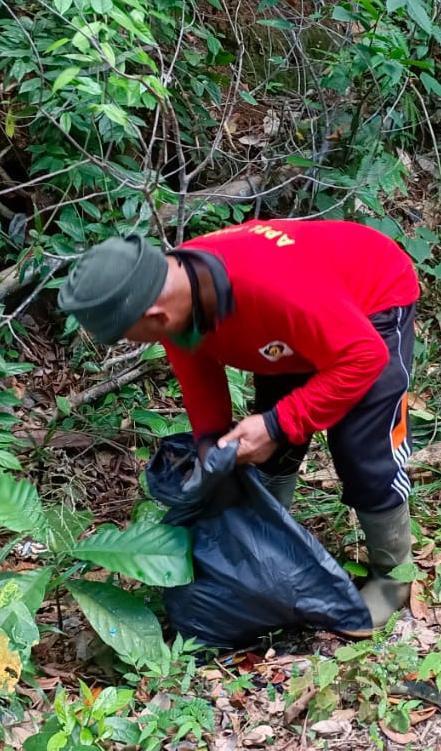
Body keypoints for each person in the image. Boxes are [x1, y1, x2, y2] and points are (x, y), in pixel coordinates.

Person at [58, 218, 420, 630]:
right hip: (288, 326)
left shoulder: (277, 291)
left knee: (362, 452)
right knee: (267, 446)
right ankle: (265, 541)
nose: (134, 342)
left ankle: (393, 577)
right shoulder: (180, 288)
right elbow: (198, 374)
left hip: (369, 301)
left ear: (155, 317)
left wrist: (278, 424)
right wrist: (210, 442)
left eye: (130, 335)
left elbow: (364, 358)